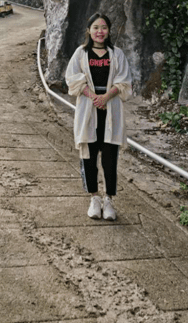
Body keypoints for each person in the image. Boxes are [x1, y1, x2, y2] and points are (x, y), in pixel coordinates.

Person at [65, 13, 132, 221]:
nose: (100, 31)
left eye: (103, 27)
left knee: (110, 157)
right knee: (89, 155)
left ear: (109, 30)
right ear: (89, 30)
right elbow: (73, 79)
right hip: (88, 107)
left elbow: (124, 81)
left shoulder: (116, 54)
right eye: (95, 27)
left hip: (111, 108)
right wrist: (95, 97)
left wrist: (106, 97)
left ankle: (109, 200)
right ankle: (94, 197)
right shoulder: (81, 53)